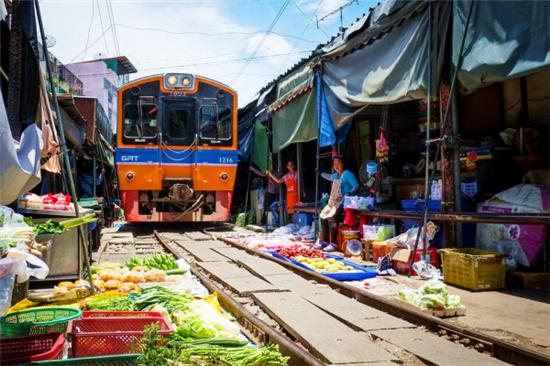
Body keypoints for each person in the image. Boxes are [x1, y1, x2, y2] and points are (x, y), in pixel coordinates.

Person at [317, 155, 359, 251]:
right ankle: (325, 242)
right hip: (334, 201)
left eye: (338, 163)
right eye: (334, 164)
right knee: (323, 216)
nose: (336, 166)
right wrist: (320, 173)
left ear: (343, 164)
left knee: (331, 217)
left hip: (345, 202)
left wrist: (349, 192)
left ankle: (333, 244)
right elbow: (329, 177)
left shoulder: (347, 174)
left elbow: (356, 185)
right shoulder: (336, 175)